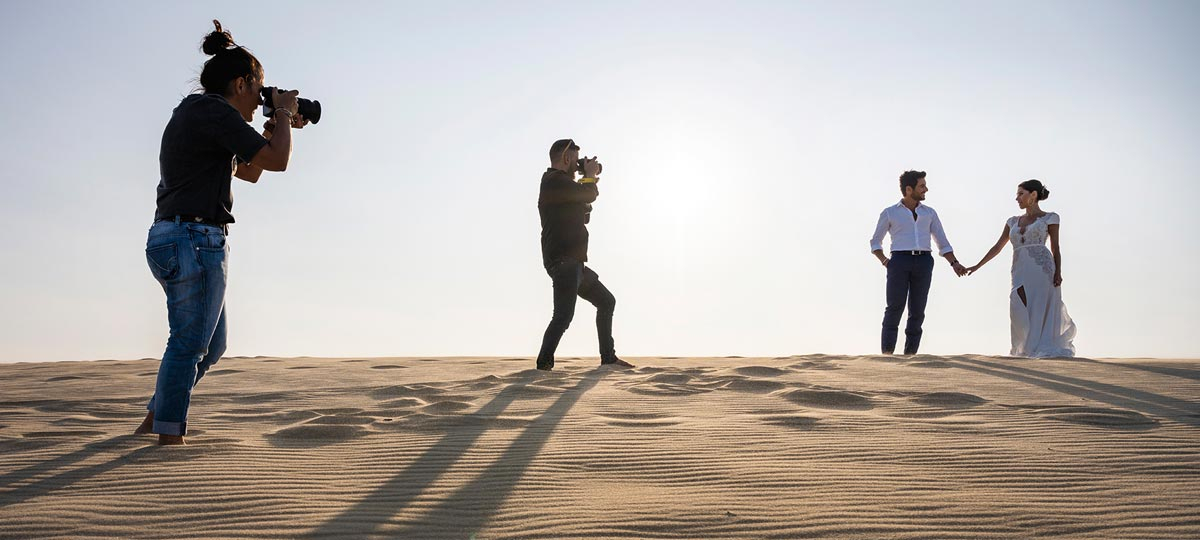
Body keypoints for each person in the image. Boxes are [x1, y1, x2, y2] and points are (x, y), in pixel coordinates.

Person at [135, 21, 309, 445]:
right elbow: (279, 162)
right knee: (190, 343)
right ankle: (168, 439)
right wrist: (283, 114)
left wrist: (273, 127)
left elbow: (251, 170)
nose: (261, 100)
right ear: (240, 83)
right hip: (193, 238)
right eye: (260, 90)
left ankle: (155, 419)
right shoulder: (212, 112)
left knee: (211, 346)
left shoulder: (199, 114)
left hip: (178, 237)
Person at [535, 139, 634, 371]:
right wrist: (588, 178)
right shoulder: (553, 181)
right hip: (563, 263)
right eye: (576, 160)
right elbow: (588, 195)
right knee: (563, 316)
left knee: (606, 301)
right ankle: (543, 366)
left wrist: (586, 183)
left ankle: (608, 358)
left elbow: (585, 207)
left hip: (576, 265)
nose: (578, 165)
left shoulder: (565, 188)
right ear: (566, 159)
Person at [966, 180, 1076, 357]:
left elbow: (1055, 247)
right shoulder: (1012, 221)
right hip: (1019, 270)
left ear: (1033, 195)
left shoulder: (1051, 218)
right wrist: (977, 266)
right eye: (1017, 194)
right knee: (1017, 305)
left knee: (1039, 307)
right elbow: (997, 247)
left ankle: (1034, 349)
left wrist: (1058, 272)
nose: (1017, 198)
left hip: (1043, 269)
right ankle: (1023, 348)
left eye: (1021, 193)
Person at [870, 170, 968, 355]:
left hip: (924, 261)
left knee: (917, 310)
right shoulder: (890, 213)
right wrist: (885, 261)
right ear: (909, 189)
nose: (926, 189)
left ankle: (910, 356)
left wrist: (954, 263)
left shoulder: (929, 213)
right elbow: (875, 242)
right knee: (894, 307)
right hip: (899, 260)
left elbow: (942, 241)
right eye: (922, 186)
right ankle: (887, 355)